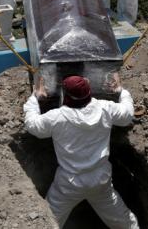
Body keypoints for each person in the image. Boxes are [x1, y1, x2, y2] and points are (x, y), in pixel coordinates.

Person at [24, 74, 139, 228]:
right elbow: (127, 114)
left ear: (65, 95)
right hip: (100, 180)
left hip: (69, 184)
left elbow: (33, 125)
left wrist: (35, 98)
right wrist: (121, 91)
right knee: (124, 222)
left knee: (49, 220)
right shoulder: (105, 108)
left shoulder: (57, 117)